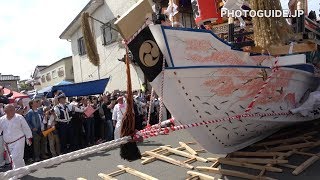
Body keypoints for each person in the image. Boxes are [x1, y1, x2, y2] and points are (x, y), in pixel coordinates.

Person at [0, 104, 32, 170]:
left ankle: (15, 174)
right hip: (8, 143)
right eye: (11, 110)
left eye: (14, 109)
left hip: (19, 140)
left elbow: (26, 127)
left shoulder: (19, 117)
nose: (13, 111)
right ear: (5, 111)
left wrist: (29, 137)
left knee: (15, 158)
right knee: (17, 158)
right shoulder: (1, 119)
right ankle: (23, 170)